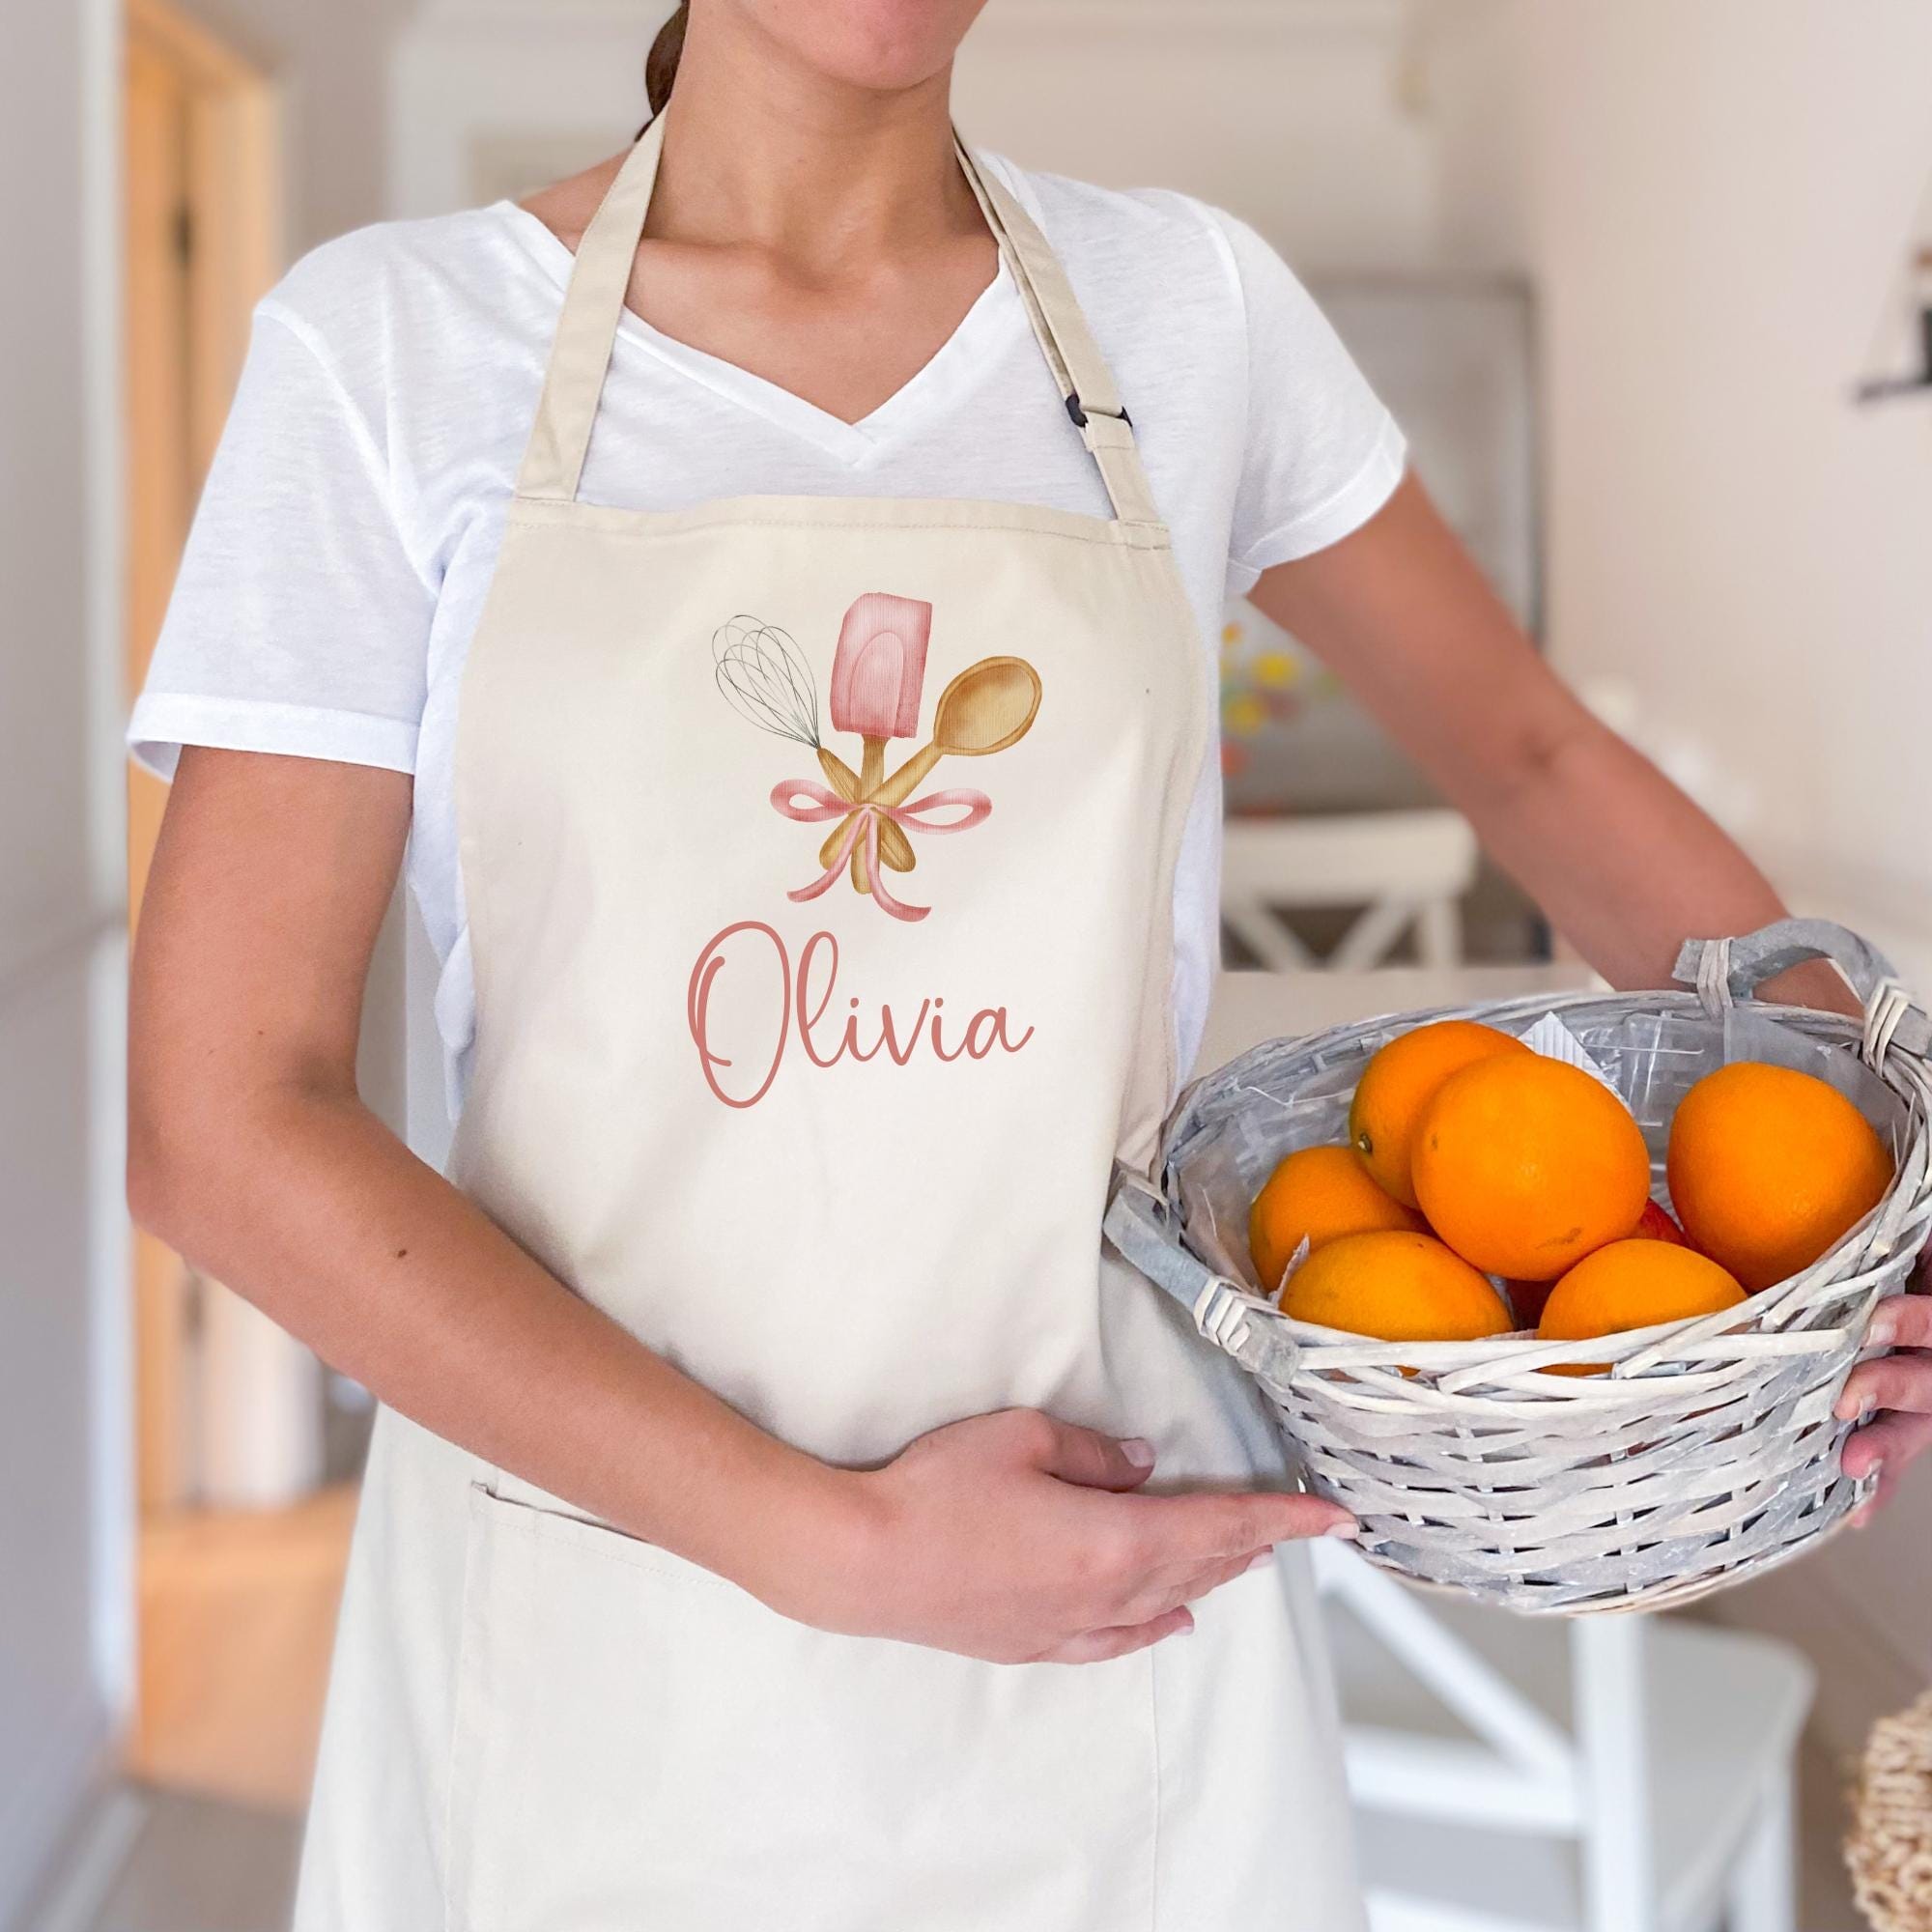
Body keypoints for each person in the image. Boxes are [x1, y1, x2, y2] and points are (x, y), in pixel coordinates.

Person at [127, 2, 1932, 1925]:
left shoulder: (1190, 310)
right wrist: (827, 1544)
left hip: (1119, 1594)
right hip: (603, 1631)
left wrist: (1872, 1198)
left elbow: (1530, 754)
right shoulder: (392, 350)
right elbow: (226, 1124)